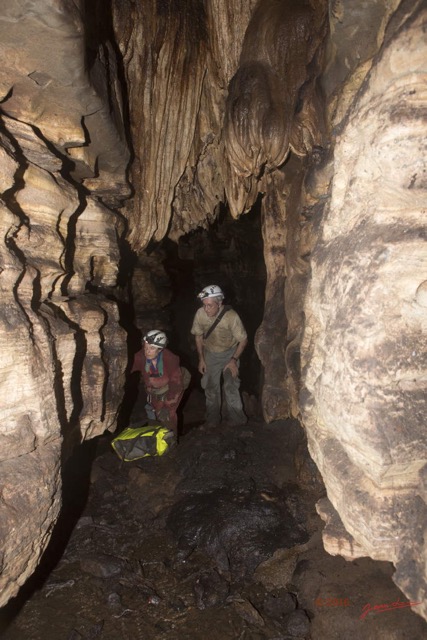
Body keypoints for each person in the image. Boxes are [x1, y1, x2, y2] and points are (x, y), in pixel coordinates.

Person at [191, 285, 248, 428]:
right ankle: (212, 420)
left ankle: (237, 420)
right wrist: (201, 359)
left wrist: (234, 360)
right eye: (204, 305)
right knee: (210, 388)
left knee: (230, 385)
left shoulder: (231, 317)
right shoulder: (200, 314)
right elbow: (198, 336)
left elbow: (243, 339)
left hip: (230, 354)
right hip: (210, 354)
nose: (206, 309)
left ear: (219, 303)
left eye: (210, 305)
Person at [131, 330, 185, 437]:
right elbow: (128, 366)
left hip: (171, 390)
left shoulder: (170, 359)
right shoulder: (141, 357)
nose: (147, 351)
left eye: (152, 348)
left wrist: (169, 404)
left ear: (160, 349)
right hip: (154, 392)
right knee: (155, 415)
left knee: (167, 416)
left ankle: (171, 442)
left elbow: (176, 383)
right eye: (146, 347)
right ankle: (157, 440)